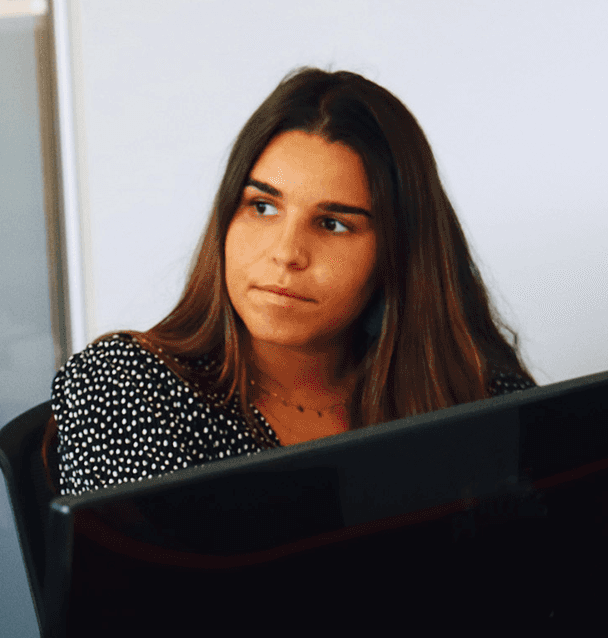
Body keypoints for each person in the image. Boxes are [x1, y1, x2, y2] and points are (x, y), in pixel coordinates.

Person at [50, 67, 533, 495]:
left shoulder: (472, 391)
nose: (286, 253)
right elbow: (154, 596)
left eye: (333, 224)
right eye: (262, 207)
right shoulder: (129, 387)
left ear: (398, 254)